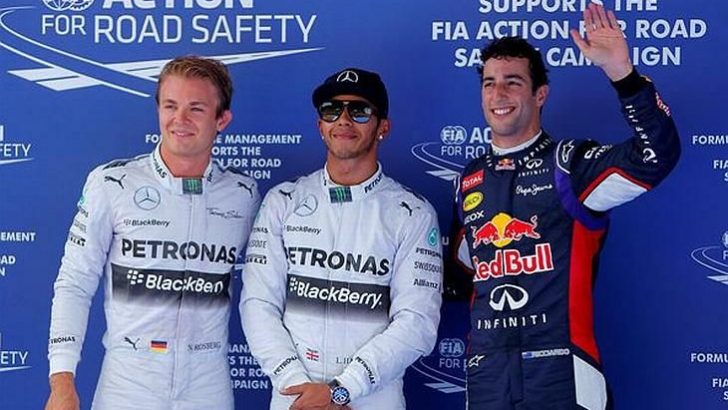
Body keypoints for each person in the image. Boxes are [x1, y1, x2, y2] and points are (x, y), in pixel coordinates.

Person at [453, 4, 680, 409]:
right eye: (489, 83)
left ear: (540, 94)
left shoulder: (569, 164)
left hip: (563, 373)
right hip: (488, 377)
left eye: (512, 82)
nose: (498, 94)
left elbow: (655, 156)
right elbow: (464, 270)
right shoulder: (469, 179)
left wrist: (623, 75)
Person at [46, 56, 261, 410]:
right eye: (170, 106)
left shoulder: (243, 194)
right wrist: (62, 381)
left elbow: (266, 289)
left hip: (207, 384)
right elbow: (74, 283)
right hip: (128, 382)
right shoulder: (111, 183)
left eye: (196, 108)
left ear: (221, 119)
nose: (180, 119)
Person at [240, 67, 443, 410]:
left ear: (383, 127)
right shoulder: (283, 201)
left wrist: (342, 389)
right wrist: (298, 384)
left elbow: (417, 321)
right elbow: (258, 304)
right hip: (295, 396)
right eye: (331, 110)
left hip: (372, 396)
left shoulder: (413, 213)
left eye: (359, 110)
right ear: (321, 126)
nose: (344, 119)